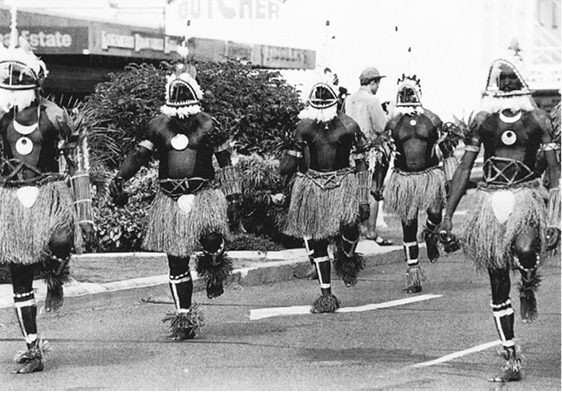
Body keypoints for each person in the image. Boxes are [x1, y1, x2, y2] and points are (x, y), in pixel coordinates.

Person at [438, 55, 560, 382]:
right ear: (493, 86)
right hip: (489, 201)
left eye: (511, 80)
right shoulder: (483, 121)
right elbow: (464, 168)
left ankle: (528, 276)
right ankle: (510, 356)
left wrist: (555, 220)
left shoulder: (538, 121)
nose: (506, 85)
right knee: (497, 282)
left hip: (525, 197)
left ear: (521, 84)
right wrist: (448, 215)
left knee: (524, 251)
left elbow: (554, 173)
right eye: (500, 80)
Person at [108, 61, 241, 340]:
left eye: (185, 89)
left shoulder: (209, 124)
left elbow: (226, 163)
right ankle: (183, 318)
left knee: (212, 239)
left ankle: (214, 265)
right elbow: (139, 155)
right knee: (177, 261)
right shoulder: (157, 126)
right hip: (169, 199)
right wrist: (121, 177)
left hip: (204, 195)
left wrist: (233, 198)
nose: (180, 94)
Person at [0, 36, 95, 373]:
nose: (12, 85)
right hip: (13, 200)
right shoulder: (2, 118)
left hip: (50, 195)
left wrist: (84, 214)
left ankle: (56, 272)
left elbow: (77, 162)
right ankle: (32, 349)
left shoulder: (55, 117)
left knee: (60, 241)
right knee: (19, 277)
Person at [279, 72, 371, 313]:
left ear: (335, 103)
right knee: (318, 241)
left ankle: (347, 256)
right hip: (312, 186)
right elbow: (286, 168)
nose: (320, 107)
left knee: (350, 228)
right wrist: (292, 151)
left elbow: (362, 164)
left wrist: (363, 198)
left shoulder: (349, 126)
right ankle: (326, 295)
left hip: (343, 184)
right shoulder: (303, 128)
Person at [382, 74, 460, 293]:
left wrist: (450, 179)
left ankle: (430, 233)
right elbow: (382, 155)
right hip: (404, 179)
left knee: (435, 214)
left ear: (418, 93)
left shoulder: (432, 119)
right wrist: (376, 184)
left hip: (429, 176)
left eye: (411, 92)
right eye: (403, 92)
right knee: (408, 225)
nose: (407, 95)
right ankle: (413, 272)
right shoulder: (393, 123)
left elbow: (447, 151)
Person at [345, 67, 393, 246]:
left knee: (359, 190)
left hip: (351, 152)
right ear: (373, 82)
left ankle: (361, 228)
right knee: (373, 189)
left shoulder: (350, 99)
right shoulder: (372, 100)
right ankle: (371, 232)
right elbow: (382, 127)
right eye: (377, 82)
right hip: (371, 152)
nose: (378, 86)